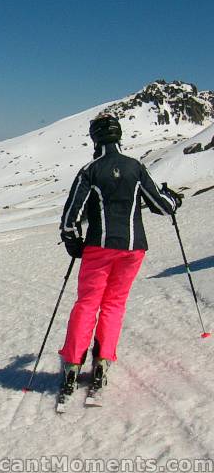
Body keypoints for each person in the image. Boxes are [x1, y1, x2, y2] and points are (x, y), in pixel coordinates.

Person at [57, 113, 182, 403]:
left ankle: (73, 364)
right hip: (133, 248)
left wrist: (74, 243)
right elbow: (162, 207)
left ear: (95, 137)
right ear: (119, 135)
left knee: (88, 303)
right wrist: (173, 199)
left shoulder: (90, 170)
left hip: (98, 248)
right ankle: (103, 362)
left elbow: (70, 218)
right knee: (114, 303)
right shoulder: (135, 168)